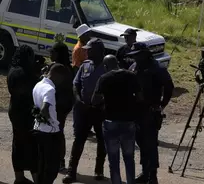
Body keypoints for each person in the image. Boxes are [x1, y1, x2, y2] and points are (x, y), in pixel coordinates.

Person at [128, 42, 174, 184]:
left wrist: (162, 104)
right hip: (136, 112)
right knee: (140, 142)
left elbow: (169, 86)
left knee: (150, 144)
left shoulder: (156, 68)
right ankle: (145, 172)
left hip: (150, 111)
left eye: (136, 55)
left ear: (144, 54)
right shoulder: (134, 66)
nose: (134, 58)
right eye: (133, 55)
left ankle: (152, 176)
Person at [93, 55, 142, 184]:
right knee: (129, 158)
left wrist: (105, 100)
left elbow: (95, 100)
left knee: (113, 160)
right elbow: (140, 98)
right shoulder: (131, 76)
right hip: (128, 122)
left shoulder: (104, 78)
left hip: (111, 122)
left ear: (105, 66)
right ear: (118, 63)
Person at [64, 38, 107, 183]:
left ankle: (98, 170)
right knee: (79, 140)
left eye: (90, 49)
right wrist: (78, 99)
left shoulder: (109, 67)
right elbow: (75, 84)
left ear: (100, 51)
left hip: (100, 111)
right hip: (83, 109)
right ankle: (71, 172)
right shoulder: (85, 65)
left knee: (102, 141)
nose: (86, 51)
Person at [32, 63, 70, 184]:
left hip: (38, 128)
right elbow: (44, 108)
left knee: (41, 163)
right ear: (58, 76)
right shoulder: (50, 89)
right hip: (50, 132)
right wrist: (53, 122)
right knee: (51, 166)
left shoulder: (38, 85)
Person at [7, 45, 39, 184]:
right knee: (32, 146)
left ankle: (19, 177)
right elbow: (30, 91)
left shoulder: (12, 70)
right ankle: (37, 179)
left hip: (14, 110)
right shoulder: (23, 73)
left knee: (17, 144)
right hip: (25, 113)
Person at [47, 42, 75, 172]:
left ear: (57, 54)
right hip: (63, 105)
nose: (50, 54)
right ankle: (58, 160)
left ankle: (59, 161)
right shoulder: (65, 67)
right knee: (57, 132)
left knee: (56, 133)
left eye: (52, 51)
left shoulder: (58, 68)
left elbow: (47, 83)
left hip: (58, 106)